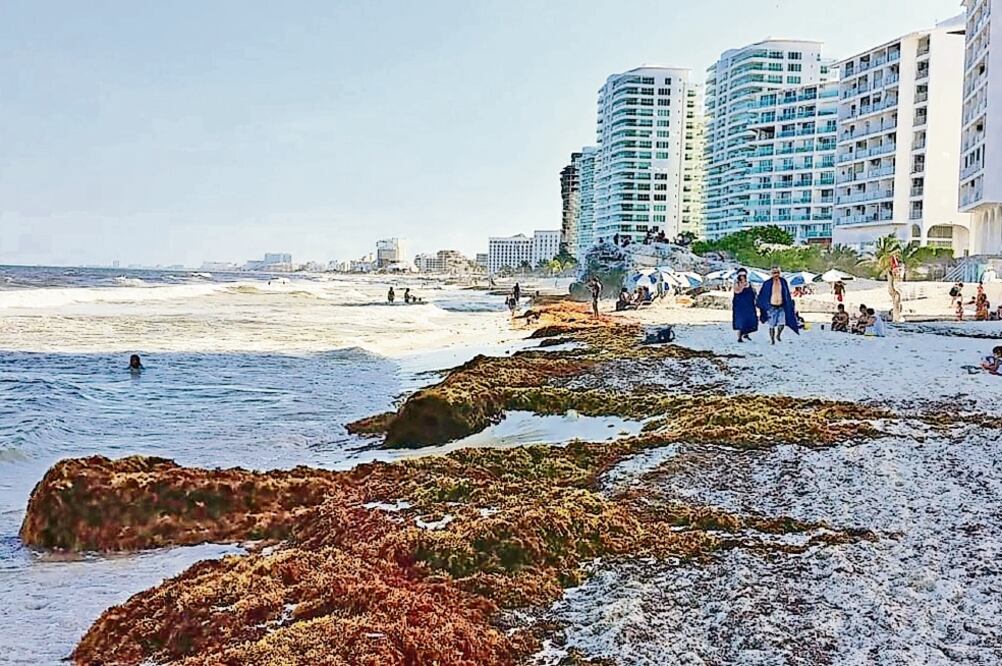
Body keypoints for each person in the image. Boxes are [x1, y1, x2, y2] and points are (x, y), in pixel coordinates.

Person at [756, 265, 799, 344]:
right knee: (771, 325)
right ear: (771, 274)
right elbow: (762, 295)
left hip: (781, 306)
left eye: (778, 272)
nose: (776, 274)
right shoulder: (767, 283)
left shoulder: (783, 282)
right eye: (774, 273)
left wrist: (789, 304)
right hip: (771, 307)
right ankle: (772, 340)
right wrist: (764, 306)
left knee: (782, 323)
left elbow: (787, 294)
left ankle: (778, 335)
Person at [731, 268, 758, 342]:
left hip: (749, 304)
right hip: (740, 305)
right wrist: (742, 285)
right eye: (741, 275)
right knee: (741, 320)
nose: (742, 277)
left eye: (744, 275)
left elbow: (753, 292)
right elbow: (737, 291)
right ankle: (739, 336)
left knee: (750, 319)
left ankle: (746, 334)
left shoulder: (749, 283)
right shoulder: (736, 283)